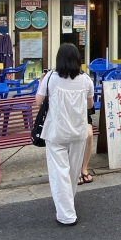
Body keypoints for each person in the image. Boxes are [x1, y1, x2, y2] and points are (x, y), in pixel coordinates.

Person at [34, 44, 94, 225]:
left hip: (56, 132)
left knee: (59, 172)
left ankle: (66, 214)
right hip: (78, 132)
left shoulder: (50, 77)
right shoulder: (86, 80)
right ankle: (67, 203)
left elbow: (39, 101)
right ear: (78, 59)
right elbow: (90, 105)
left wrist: (40, 81)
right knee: (74, 171)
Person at [77, 113, 94, 185]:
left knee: (89, 135)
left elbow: (90, 106)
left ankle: (84, 168)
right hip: (66, 116)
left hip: (83, 114)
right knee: (74, 137)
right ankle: (76, 171)